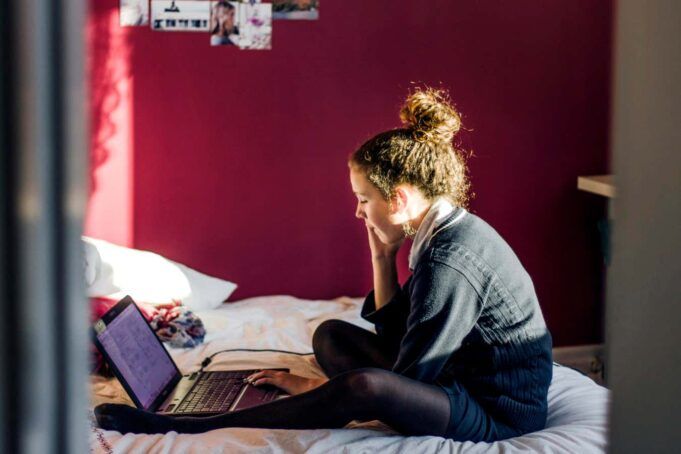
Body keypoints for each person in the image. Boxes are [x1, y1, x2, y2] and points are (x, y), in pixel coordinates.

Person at [95, 88, 553, 442]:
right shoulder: (442, 232)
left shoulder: (450, 260)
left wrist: (312, 389)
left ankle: (192, 424)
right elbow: (398, 338)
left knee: (365, 388)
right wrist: (382, 256)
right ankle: (308, 392)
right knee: (331, 335)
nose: (358, 211)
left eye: (364, 199)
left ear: (397, 199)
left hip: (495, 411)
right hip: (456, 377)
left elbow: (405, 380)